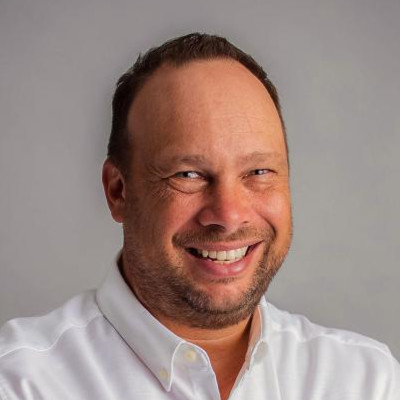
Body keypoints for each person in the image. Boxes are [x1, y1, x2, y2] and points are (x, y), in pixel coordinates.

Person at [0, 33, 399, 400]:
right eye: (187, 174)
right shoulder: (21, 383)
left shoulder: (364, 381)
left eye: (258, 172)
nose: (228, 215)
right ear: (118, 191)